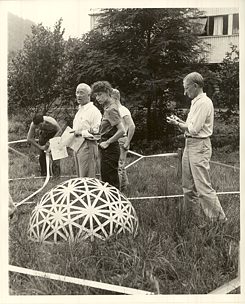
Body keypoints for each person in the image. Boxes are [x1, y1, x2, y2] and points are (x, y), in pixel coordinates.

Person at [167, 72, 227, 224]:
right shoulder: (196, 102)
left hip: (199, 146)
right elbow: (190, 127)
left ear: (195, 86)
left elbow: (193, 129)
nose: (185, 92)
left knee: (203, 188)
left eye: (186, 88)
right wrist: (180, 121)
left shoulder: (203, 103)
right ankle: (193, 220)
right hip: (190, 145)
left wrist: (177, 124)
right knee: (187, 186)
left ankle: (219, 221)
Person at [91, 81, 125, 189]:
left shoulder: (111, 109)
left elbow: (121, 130)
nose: (97, 98)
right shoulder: (107, 108)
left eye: (100, 94)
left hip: (110, 149)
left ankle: (115, 204)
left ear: (107, 92)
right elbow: (110, 128)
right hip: (106, 148)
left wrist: (107, 142)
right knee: (106, 179)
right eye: (96, 95)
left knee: (110, 182)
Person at [72, 83, 102, 178]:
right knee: (80, 176)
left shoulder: (94, 111)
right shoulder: (80, 110)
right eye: (77, 92)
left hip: (88, 145)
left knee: (87, 177)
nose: (78, 95)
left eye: (81, 93)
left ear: (89, 95)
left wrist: (80, 133)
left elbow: (97, 132)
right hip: (77, 145)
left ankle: (89, 192)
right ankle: (80, 193)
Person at [111, 88, 135, 192]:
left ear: (115, 98)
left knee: (119, 168)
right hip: (117, 139)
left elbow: (132, 126)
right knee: (121, 166)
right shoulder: (113, 110)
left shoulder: (123, 110)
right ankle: (125, 188)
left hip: (122, 140)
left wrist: (127, 141)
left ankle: (118, 192)